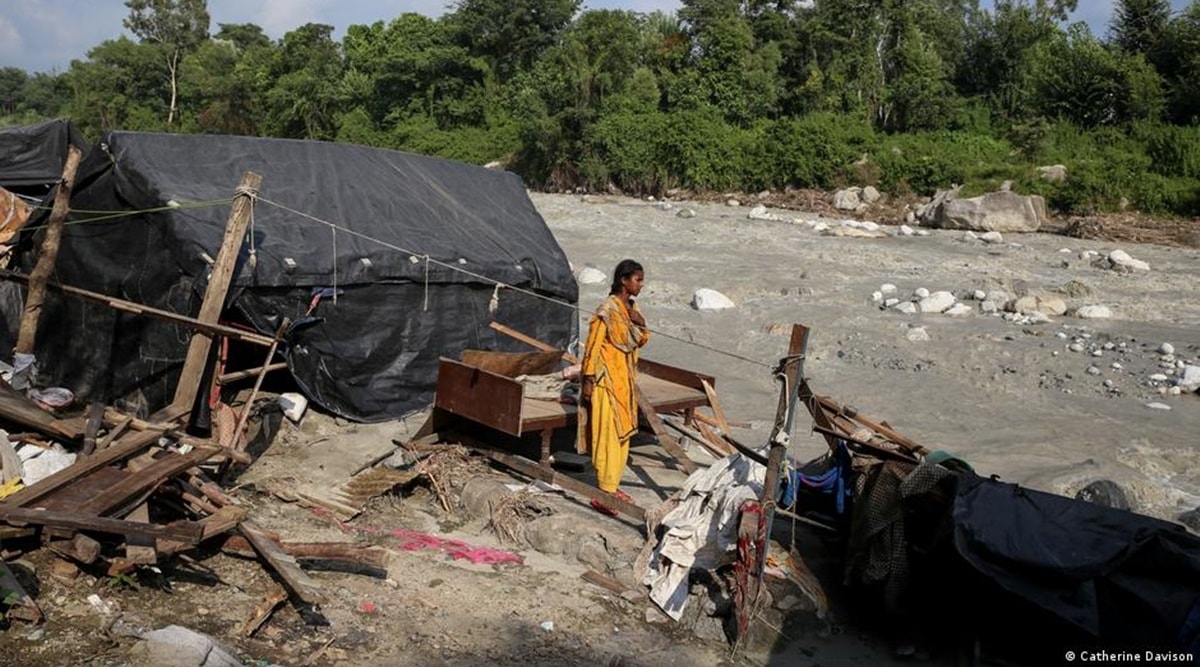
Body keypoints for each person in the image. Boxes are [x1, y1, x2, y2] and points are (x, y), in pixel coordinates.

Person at [580, 259, 649, 516]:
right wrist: (587, 381)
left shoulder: (631, 308)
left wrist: (640, 320)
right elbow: (593, 346)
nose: (640, 285)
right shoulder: (607, 310)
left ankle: (612, 485)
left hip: (625, 382)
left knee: (623, 435)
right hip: (606, 381)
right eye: (637, 279)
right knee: (607, 435)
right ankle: (604, 490)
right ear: (624, 280)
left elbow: (640, 340)